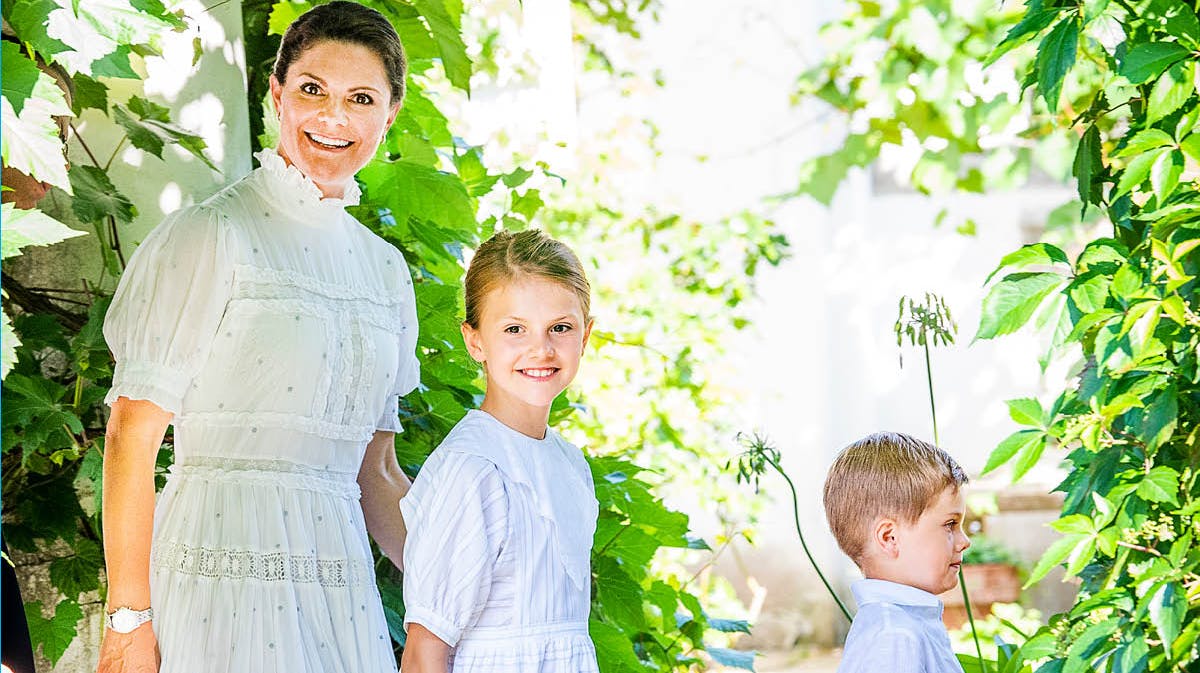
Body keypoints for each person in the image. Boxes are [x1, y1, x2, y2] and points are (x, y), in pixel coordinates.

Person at [97, 3, 418, 672]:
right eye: (311, 90)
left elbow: (377, 471)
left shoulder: (385, 270)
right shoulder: (214, 233)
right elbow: (132, 432)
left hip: (340, 591)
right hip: (218, 574)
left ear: (389, 115)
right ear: (276, 95)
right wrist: (130, 619)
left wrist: (469, 596)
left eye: (360, 98)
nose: (333, 117)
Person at [399, 229, 600, 673]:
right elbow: (424, 651)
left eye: (560, 328)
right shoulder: (473, 469)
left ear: (585, 336)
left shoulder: (571, 464)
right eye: (514, 329)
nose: (541, 349)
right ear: (475, 342)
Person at [823, 432, 972, 673]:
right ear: (889, 538)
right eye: (950, 524)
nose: (964, 541)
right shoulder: (892, 637)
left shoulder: (904, 624)